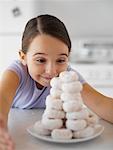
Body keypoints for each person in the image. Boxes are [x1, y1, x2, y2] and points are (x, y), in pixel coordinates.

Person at [0, 14, 113, 142]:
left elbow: (100, 102)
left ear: (68, 57)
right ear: (23, 57)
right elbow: (2, 98)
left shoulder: (68, 79)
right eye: (41, 60)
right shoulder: (17, 73)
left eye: (60, 60)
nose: (51, 71)